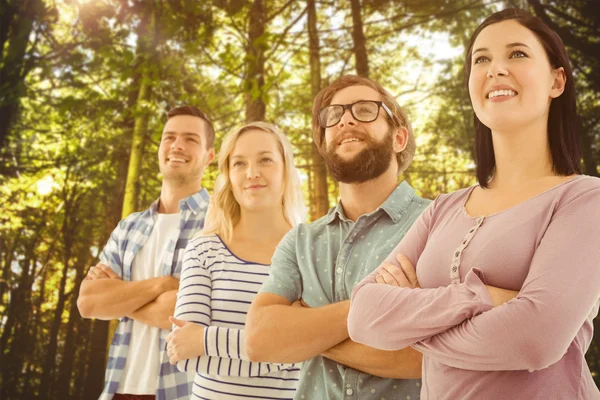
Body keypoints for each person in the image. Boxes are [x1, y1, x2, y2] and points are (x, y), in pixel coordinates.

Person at [348, 8, 600, 400]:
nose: (495, 69)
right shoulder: (442, 209)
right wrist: (482, 297)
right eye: (481, 59)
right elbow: (363, 316)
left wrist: (411, 325)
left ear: (556, 80)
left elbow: (534, 339)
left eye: (516, 54)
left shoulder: (584, 200)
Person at [245, 75, 430, 399]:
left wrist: (305, 332)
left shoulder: (439, 222)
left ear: (399, 138)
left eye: (364, 109)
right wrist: (381, 306)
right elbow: (259, 340)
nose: (345, 118)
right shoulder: (300, 241)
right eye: (334, 115)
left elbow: (426, 356)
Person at [77, 105, 216, 400]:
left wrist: (118, 298)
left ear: (209, 156)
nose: (177, 145)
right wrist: (161, 286)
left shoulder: (220, 222)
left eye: (191, 139)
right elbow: (88, 302)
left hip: (182, 392)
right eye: (170, 137)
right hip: (118, 389)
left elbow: (181, 311)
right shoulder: (129, 227)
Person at [164, 122, 306, 399]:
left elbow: (315, 347)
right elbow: (184, 355)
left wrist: (205, 340)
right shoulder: (203, 249)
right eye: (239, 163)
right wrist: (284, 348)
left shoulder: (310, 252)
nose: (252, 173)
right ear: (228, 174)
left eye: (265, 159)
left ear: (286, 168)